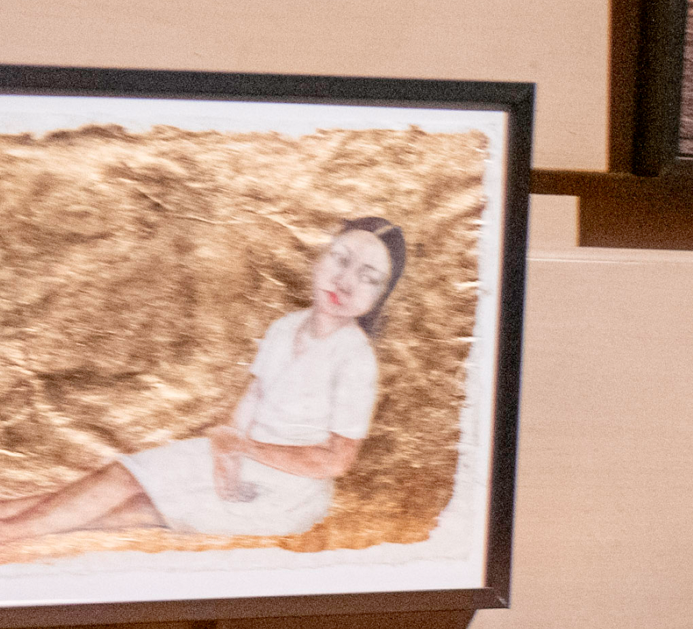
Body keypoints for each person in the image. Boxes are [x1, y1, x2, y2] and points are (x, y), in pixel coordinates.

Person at [0, 217, 406, 545]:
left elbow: (336, 461)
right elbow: (255, 393)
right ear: (320, 258)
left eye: (368, 277)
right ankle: (8, 511)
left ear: (379, 298)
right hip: (242, 461)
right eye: (340, 259)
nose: (345, 281)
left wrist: (243, 448)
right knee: (125, 486)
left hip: (288, 493)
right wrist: (228, 451)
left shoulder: (356, 360)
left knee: (131, 491)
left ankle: (10, 532)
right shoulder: (286, 327)